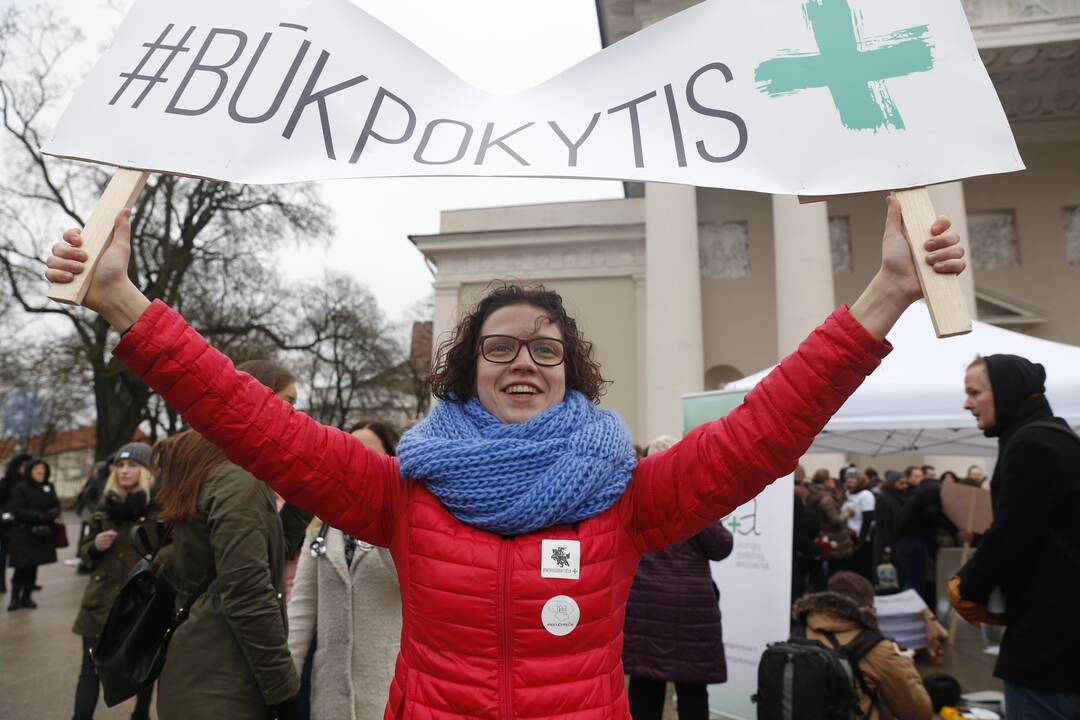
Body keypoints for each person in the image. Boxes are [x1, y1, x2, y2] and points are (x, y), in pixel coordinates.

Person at [45, 196, 964, 719]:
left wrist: (884, 292)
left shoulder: (626, 495)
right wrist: (127, 303)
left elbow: (768, 425)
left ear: (571, 369)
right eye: (500, 345)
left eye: (546, 347)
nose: (524, 358)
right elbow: (252, 422)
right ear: (468, 369)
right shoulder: (403, 491)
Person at [150, 360, 303, 720]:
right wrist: (284, 691)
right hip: (225, 684)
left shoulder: (206, 467)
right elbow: (249, 593)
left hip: (193, 668)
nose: (295, 415)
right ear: (253, 399)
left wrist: (301, 498)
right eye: (287, 401)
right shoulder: (239, 478)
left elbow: (259, 555)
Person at [949, 354, 1080, 719]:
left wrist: (969, 585)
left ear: (1005, 392)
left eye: (974, 392)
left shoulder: (1032, 444)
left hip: (1050, 652)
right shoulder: (1049, 437)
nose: (966, 403)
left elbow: (1013, 532)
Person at [287, 419, 403, 720]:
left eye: (368, 453)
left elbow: (407, 580)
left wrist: (383, 506)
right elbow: (301, 611)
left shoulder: (407, 524)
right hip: (329, 697)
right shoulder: (321, 525)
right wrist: (285, 687)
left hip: (387, 692)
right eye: (349, 452)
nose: (356, 462)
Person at [622, 435, 734, 720]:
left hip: (644, 605)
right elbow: (720, 546)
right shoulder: (695, 497)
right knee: (692, 691)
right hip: (690, 612)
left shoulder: (633, 496)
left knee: (644, 688)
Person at [71, 442, 159, 720]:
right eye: (120, 465)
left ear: (146, 471)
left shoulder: (159, 511)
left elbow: (169, 553)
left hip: (140, 603)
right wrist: (94, 545)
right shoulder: (105, 509)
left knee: (144, 667)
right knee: (90, 669)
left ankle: (140, 715)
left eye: (132, 465)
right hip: (100, 601)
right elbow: (85, 553)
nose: (124, 470)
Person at [794, 571, 933, 720]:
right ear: (867, 609)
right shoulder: (876, 648)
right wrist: (904, 662)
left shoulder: (800, 632)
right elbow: (919, 712)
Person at [7, 458, 61, 610]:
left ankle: (27, 598)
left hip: (42, 535)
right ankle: (14, 599)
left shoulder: (48, 487)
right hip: (24, 535)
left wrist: (50, 514)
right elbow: (17, 511)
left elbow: (56, 506)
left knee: (33, 568)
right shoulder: (20, 488)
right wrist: (39, 516)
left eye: (43, 469)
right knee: (21, 568)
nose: (40, 471)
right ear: (30, 471)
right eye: (37, 469)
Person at [0, 452, 32, 593]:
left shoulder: (30, 484)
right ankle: (0, 581)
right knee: (3, 556)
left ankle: (23, 584)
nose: (26, 468)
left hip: (24, 525)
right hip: (7, 527)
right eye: (24, 465)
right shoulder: (5, 483)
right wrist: (5, 515)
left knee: (24, 558)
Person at [840, 468, 876, 581]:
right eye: (848, 477)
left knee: (863, 570)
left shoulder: (866, 495)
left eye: (853, 477)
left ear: (860, 479)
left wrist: (861, 539)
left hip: (862, 539)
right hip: (848, 537)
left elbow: (868, 519)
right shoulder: (847, 493)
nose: (850, 480)